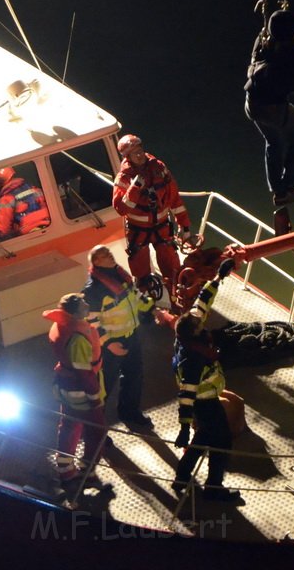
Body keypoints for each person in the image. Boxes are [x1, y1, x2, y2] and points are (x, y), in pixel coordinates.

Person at [171, 257, 241, 502]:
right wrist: (182, 428)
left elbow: (202, 302)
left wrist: (218, 278)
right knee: (221, 442)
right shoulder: (193, 359)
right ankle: (214, 487)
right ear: (195, 333)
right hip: (205, 404)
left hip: (207, 403)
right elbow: (186, 395)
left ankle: (181, 477)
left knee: (202, 440)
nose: (203, 325)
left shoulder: (188, 335)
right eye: (200, 327)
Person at [243, 9, 294, 208]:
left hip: (252, 103)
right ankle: (287, 186)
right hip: (273, 109)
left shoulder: (265, 42)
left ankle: (280, 191)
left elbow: (256, 54)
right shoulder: (290, 54)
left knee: (274, 143)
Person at [82, 245, 156, 429]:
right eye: (104, 255)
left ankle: (129, 413)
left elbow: (135, 297)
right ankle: (96, 428)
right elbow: (90, 324)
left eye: (109, 253)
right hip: (111, 346)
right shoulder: (92, 291)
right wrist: (108, 344)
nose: (110, 256)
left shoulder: (120, 275)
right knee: (103, 388)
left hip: (131, 336)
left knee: (134, 376)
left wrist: (154, 310)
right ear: (96, 262)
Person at [43, 292, 108, 492]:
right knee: (97, 433)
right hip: (81, 391)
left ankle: (65, 469)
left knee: (70, 426)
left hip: (66, 385)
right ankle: (86, 471)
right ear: (74, 312)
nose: (87, 304)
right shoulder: (78, 338)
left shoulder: (63, 327)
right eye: (82, 303)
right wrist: (94, 396)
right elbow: (83, 371)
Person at [112, 134, 193, 293]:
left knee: (172, 267)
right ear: (127, 157)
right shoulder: (123, 178)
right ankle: (147, 298)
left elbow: (174, 199)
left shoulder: (159, 169)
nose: (139, 154)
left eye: (140, 150)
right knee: (141, 272)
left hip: (162, 227)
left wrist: (185, 226)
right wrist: (134, 189)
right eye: (134, 153)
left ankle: (177, 297)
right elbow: (121, 208)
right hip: (138, 231)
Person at [0, 166, 51, 239]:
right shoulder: (34, 189)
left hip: (28, 236)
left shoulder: (6, 200)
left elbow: (1, 229)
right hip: (50, 227)